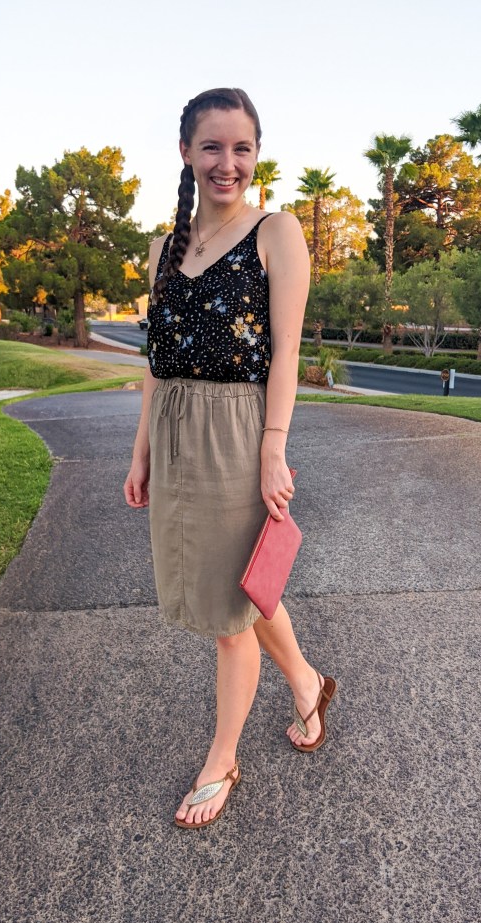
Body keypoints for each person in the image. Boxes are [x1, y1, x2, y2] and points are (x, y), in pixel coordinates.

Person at [124, 87, 337, 829]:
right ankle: (307, 685)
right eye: (212, 146)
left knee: (228, 616)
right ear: (186, 152)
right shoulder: (161, 248)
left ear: (256, 153)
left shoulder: (276, 231)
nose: (228, 162)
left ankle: (222, 760)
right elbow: (157, 363)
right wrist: (141, 451)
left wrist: (273, 449)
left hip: (241, 431)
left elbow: (285, 353)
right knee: (242, 588)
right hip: (177, 430)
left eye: (242, 147)